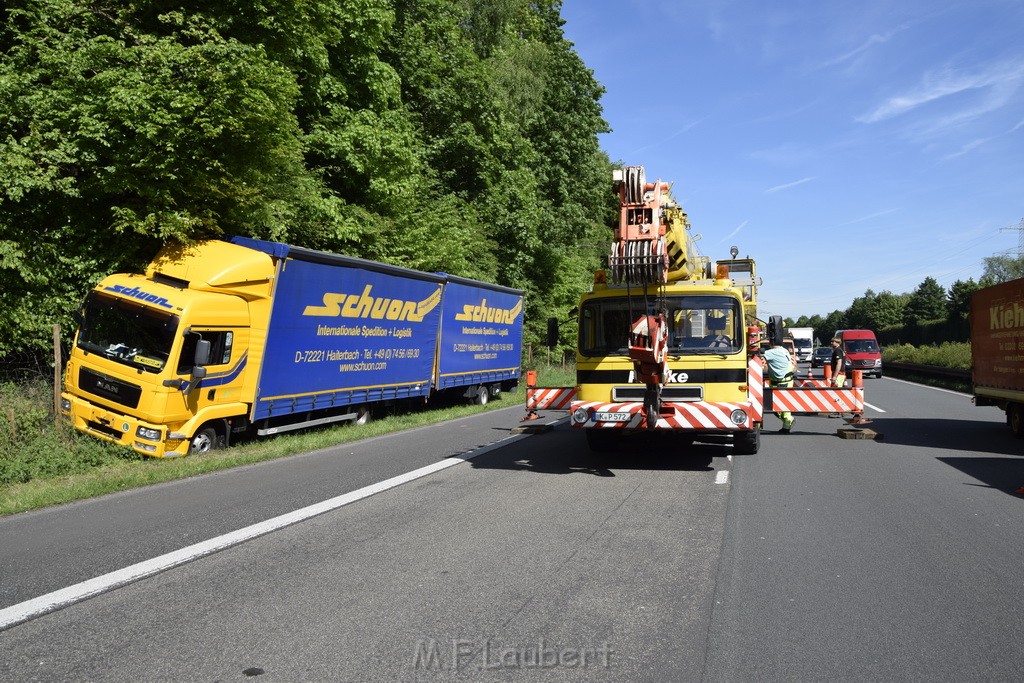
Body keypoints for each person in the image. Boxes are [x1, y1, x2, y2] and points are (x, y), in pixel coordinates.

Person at [763, 338, 796, 433]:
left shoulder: (772, 352)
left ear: (770, 344)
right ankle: (787, 424)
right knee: (780, 405)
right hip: (782, 381)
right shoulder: (784, 350)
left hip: (781, 382)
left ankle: (788, 423)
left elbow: (757, 355)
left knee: (780, 406)